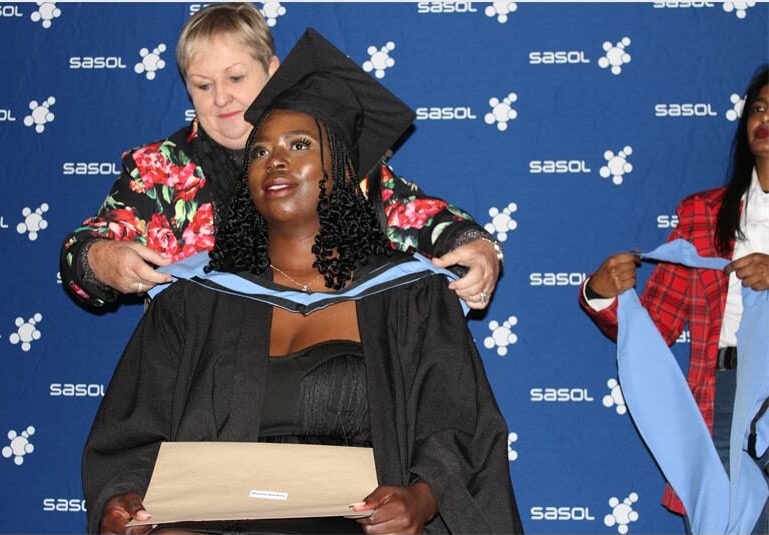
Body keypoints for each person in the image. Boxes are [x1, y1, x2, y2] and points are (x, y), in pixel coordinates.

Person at [82, 28, 521, 535]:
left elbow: (458, 429)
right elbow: (132, 435)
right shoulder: (194, 299)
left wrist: (422, 497)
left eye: (299, 144)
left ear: (343, 168)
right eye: (261, 151)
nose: (277, 161)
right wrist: (123, 498)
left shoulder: (409, 297)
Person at [60, 3, 502, 311]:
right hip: (200, 387)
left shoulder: (326, 151)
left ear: (273, 72)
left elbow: (419, 217)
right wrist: (103, 261)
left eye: (235, 77)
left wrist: (478, 249)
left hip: (329, 374)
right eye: (203, 84)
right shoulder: (156, 170)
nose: (222, 99)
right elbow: (80, 256)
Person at [580, 66, 769, 530]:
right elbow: (658, 324)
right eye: (759, 108)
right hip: (725, 399)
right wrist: (602, 294)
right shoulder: (702, 214)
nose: (765, 119)